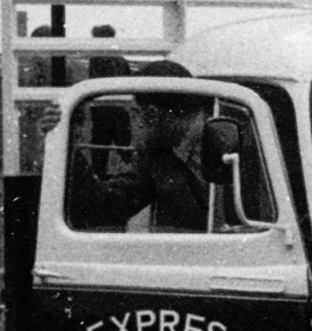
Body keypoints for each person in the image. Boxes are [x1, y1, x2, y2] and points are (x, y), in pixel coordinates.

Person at [67, 60, 210, 231]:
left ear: (151, 114)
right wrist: (66, 149)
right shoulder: (157, 153)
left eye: (135, 113)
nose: (132, 122)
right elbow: (103, 207)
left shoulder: (225, 143)